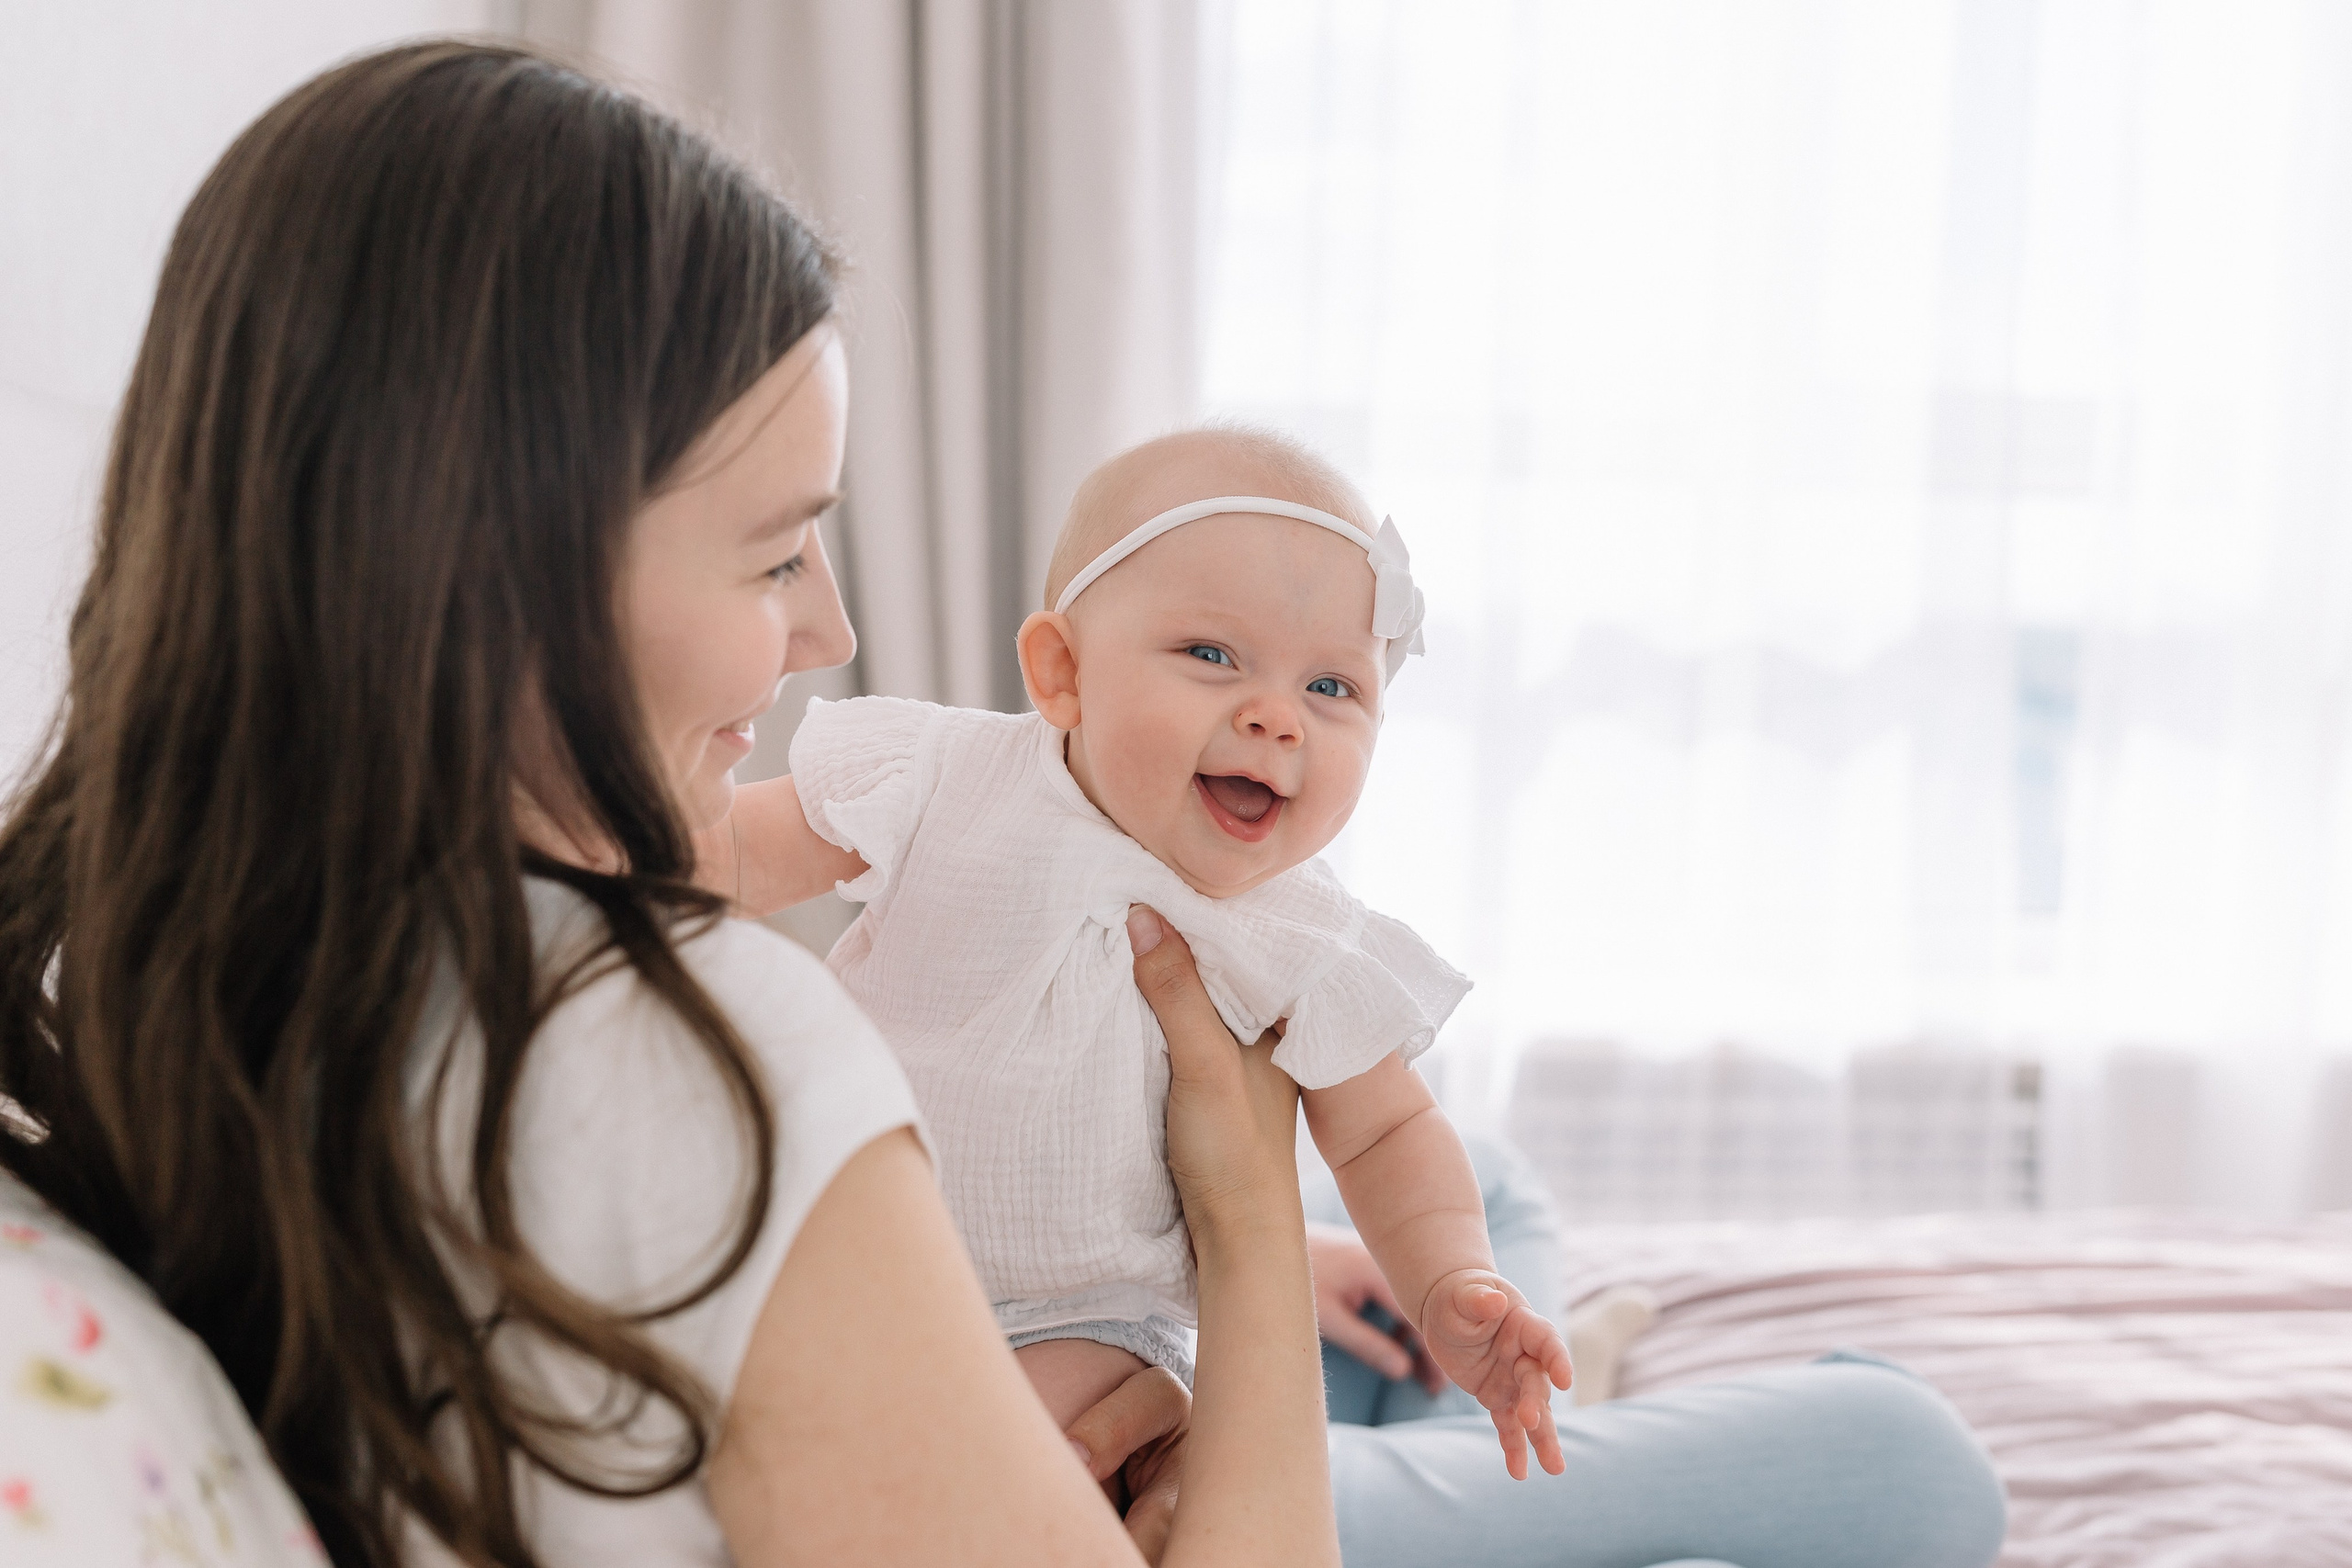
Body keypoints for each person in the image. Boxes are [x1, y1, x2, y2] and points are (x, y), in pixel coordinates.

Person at [0, 40, 1335, 1567]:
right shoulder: (692, 1056)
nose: (831, 632)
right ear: (502, 574)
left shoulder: (132, 983)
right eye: (776, 555)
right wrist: (1250, 1229)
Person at [708, 427, 1572, 1477]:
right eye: (1212, 657)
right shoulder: (944, 776)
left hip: (1082, 1320)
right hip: (839, 1241)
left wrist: (1449, 1283)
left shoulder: (1297, 929)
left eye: (1333, 689)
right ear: (1062, 672)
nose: (1275, 719)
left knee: (1014, 1457)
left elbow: (1387, 1133)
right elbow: (730, 853)